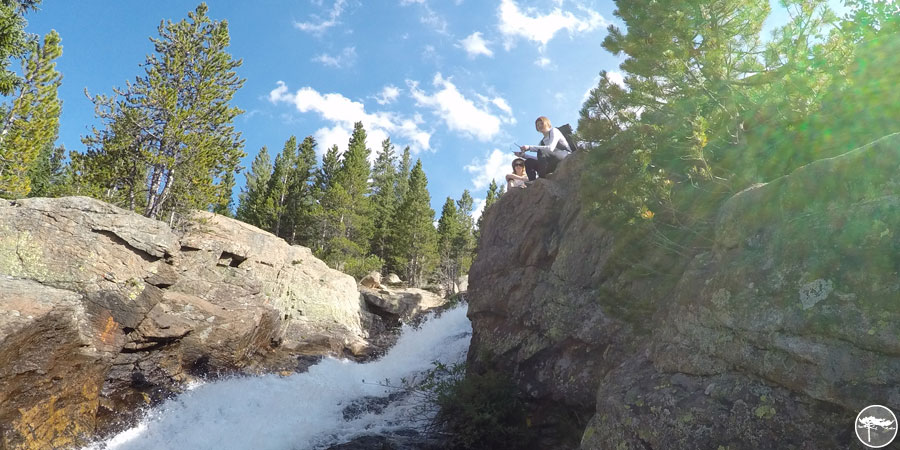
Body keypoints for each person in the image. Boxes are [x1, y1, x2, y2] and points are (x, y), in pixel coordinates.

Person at [515, 116, 571, 181]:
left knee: (541, 151)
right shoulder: (542, 142)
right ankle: (533, 182)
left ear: (547, 123)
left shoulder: (554, 131)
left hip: (563, 156)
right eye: (537, 125)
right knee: (529, 162)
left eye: (541, 123)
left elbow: (550, 148)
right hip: (551, 162)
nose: (539, 126)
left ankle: (541, 178)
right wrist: (523, 155)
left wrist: (529, 147)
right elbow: (540, 159)